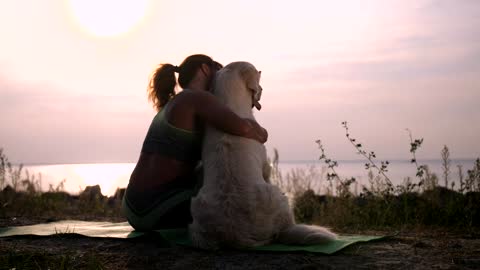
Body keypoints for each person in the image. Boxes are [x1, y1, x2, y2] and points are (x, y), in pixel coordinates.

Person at [122, 54, 268, 231]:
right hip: (156, 209)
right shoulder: (198, 98)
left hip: (133, 206)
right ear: (205, 69)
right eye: (218, 73)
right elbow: (243, 129)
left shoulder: (174, 103)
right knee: (232, 203)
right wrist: (262, 132)